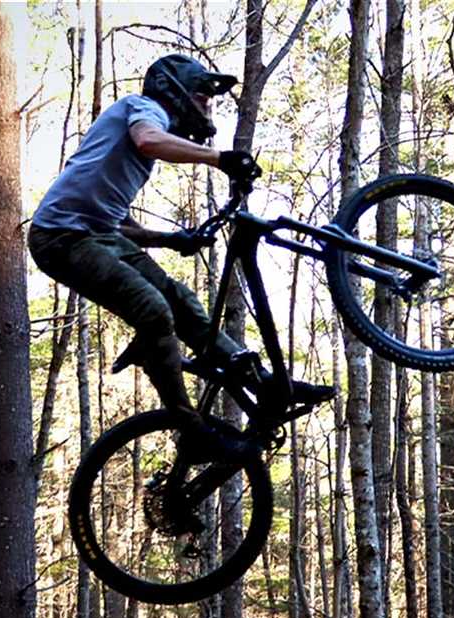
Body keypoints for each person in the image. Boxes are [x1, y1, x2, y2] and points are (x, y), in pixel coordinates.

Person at [28, 53, 332, 463]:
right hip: (59, 238)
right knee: (153, 309)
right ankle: (190, 427)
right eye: (204, 97)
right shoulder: (144, 109)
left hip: (97, 235)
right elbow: (148, 140)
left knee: (183, 302)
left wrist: (171, 239)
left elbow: (118, 224)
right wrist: (219, 159)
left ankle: (261, 382)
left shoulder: (146, 128)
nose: (209, 106)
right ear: (179, 91)